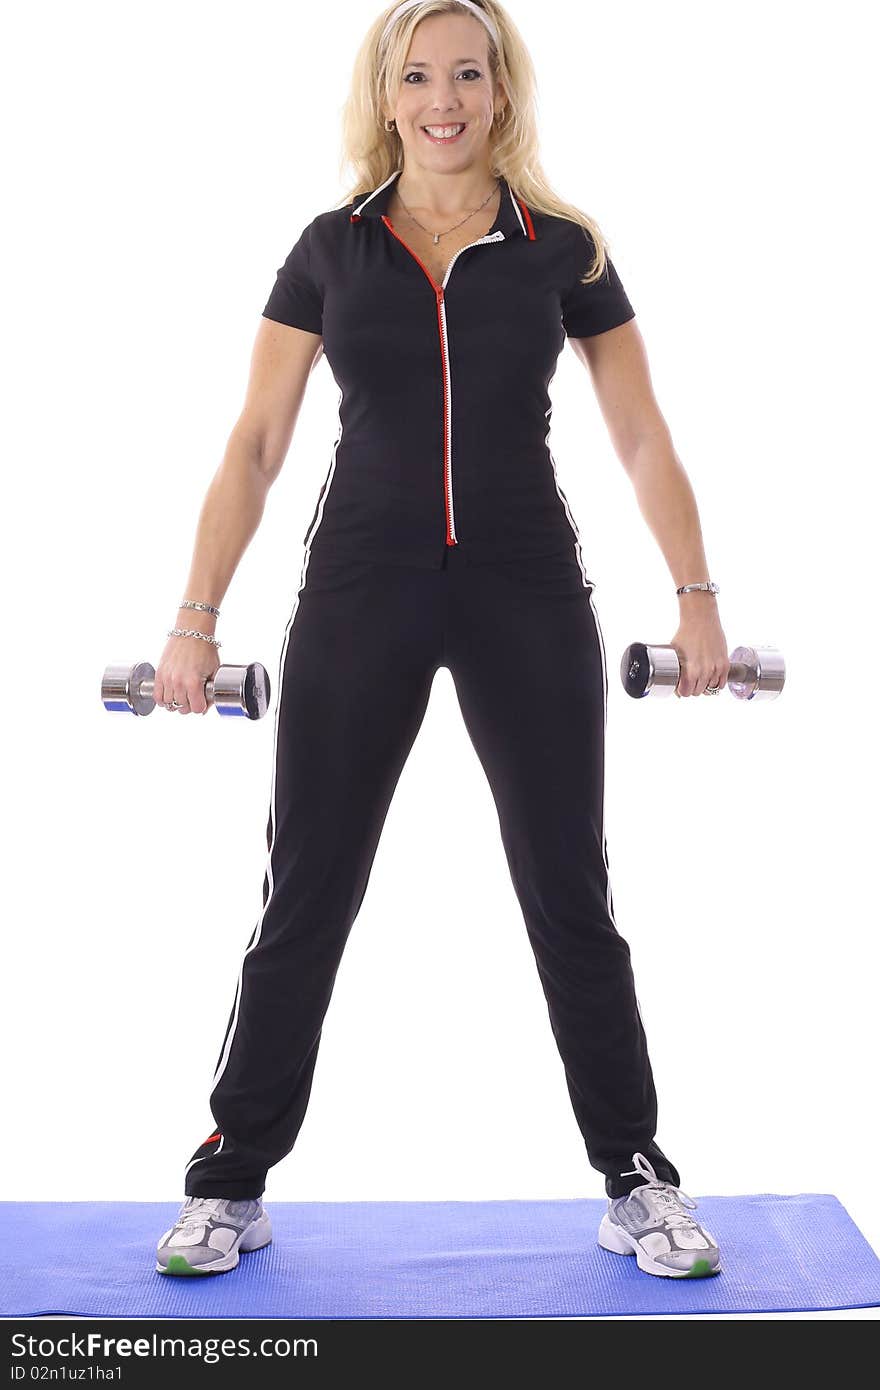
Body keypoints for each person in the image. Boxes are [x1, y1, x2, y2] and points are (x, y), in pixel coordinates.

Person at [154, 0, 728, 1282]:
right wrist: (195, 617)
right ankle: (231, 1179)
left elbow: (639, 432)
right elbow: (255, 444)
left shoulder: (560, 250)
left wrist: (695, 593)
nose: (443, 98)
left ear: (500, 87)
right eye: (418, 76)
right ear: (387, 93)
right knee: (307, 882)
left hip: (525, 584)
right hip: (363, 582)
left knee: (568, 889)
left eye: (467, 72)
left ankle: (634, 1174)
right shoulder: (331, 250)